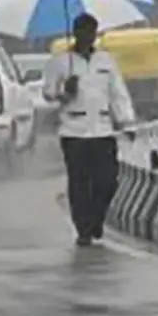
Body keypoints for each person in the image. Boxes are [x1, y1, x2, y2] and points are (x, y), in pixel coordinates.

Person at [43, 13, 136, 247]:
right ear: (75, 33)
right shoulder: (61, 62)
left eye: (92, 32)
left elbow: (118, 93)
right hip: (73, 132)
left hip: (102, 130)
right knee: (79, 183)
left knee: (107, 180)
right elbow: (48, 95)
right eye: (83, 32)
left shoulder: (106, 61)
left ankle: (97, 219)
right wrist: (65, 91)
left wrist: (126, 122)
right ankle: (83, 228)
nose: (88, 37)